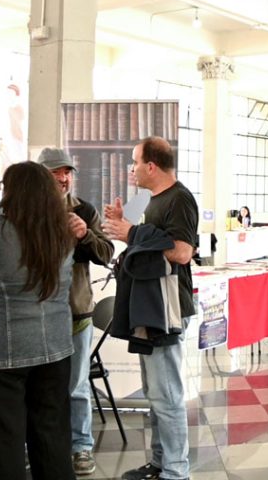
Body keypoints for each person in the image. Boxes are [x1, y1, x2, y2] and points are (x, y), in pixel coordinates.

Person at [0, 161, 75, 479]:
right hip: (54, 347)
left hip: (1, 353)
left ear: (10, 192)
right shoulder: (63, 231)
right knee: (52, 438)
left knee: (5, 440)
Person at [102, 137, 198, 480]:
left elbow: (182, 252)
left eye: (135, 162)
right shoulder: (154, 200)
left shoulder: (180, 199)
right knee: (155, 393)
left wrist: (132, 232)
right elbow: (148, 243)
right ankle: (160, 463)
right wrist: (127, 230)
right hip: (148, 305)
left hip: (167, 307)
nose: (132, 169)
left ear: (151, 166)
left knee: (166, 393)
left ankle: (175, 471)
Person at [38, 148, 116, 477]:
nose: (63, 177)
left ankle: (81, 446)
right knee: (41, 387)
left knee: (76, 385)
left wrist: (84, 234)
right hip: (37, 314)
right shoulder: (29, 210)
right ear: (42, 175)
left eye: (67, 171)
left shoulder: (84, 209)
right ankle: (41, 446)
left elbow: (106, 252)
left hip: (76, 311)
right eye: (56, 171)